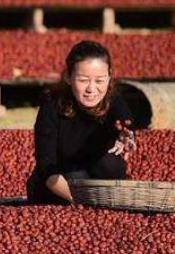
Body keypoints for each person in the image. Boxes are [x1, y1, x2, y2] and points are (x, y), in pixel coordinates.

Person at [26, 40, 137, 204]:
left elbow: (125, 121)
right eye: (83, 80)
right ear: (68, 77)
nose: (91, 89)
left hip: (97, 179)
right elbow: (46, 167)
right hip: (57, 183)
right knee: (76, 177)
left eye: (99, 81)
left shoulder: (114, 101)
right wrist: (81, 202)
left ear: (109, 77)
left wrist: (127, 135)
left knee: (110, 163)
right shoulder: (51, 107)